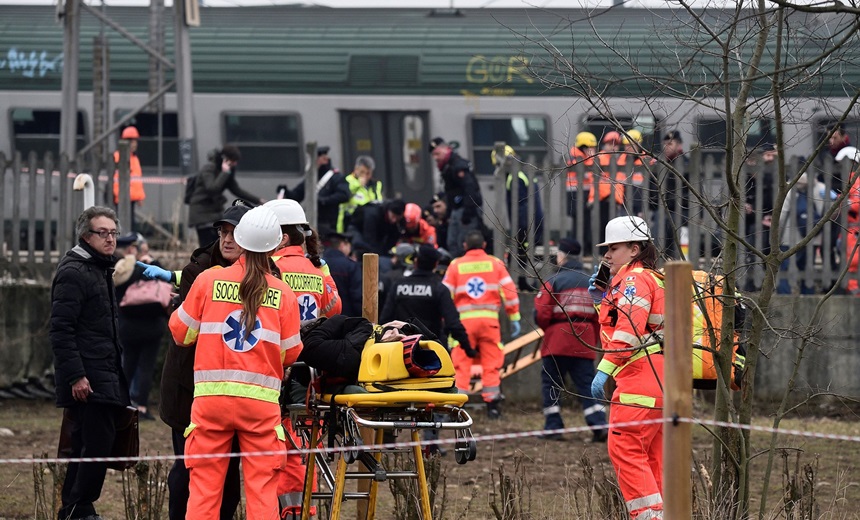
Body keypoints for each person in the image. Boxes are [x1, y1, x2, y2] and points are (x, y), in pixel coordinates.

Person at [168, 205, 303, 520]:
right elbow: (292, 354)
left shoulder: (208, 280)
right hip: (260, 408)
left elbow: (180, 333)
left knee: (203, 491)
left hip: (210, 404)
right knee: (262, 492)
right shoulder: (283, 293)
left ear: (240, 239)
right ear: (274, 246)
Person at [157, 203, 250, 520]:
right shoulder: (198, 272)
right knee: (186, 472)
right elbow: (184, 332)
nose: (227, 238)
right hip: (190, 391)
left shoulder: (266, 276)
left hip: (240, 396)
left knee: (228, 478)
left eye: (235, 232)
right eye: (223, 231)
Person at [51, 206, 131, 520]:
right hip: (88, 377)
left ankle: (77, 508)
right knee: (95, 444)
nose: (110, 239)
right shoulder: (74, 271)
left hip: (104, 372)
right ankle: (78, 508)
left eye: (113, 233)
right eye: (103, 233)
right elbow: (61, 329)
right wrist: (76, 376)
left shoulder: (99, 267)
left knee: (95, 443)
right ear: (86, 235)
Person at [589, 216, 665, 520]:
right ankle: (661, 513)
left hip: (638, 381)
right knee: (652, 457)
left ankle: (648, 516)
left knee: (626, 449)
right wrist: (602, 296)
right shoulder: (651, 278)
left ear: (634, 249)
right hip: (659, 381)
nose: (607, 255)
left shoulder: (634, 281)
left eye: (614, 248)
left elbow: (628, 329)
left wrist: (604, 368)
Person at [533, 237, 607, 442]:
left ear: (563, 256)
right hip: (584, 341)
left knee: (552, 384)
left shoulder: (554, 281)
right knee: (587, 385)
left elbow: (541, 313)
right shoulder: (592, 282)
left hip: (557, 340)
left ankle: (554, 427)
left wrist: (549, 328)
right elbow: (601, 314)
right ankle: (599, 424)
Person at [442, 230, 520, 418]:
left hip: (464, 324)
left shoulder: (455, 266)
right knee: (491, 363)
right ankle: (493, 406)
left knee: (461, 364)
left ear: (464, 246)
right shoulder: (495, 264)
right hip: (489, 322)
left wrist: (446, 321)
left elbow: (445, 295)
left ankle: (458, 407)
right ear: (484, 245)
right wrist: (514, 317)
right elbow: (509, 292)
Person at [114, 232, 167, 421]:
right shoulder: (146, 266)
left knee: (126, 365)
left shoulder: (118, 267)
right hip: (152, 327)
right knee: (146, 367)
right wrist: (152, 262)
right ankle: (142, 407)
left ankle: (122, 404)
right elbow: (164, 281)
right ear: (132, 249)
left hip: (127, 327)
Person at [266, 199, 341, 323]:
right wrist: (326, 277)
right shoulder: (316, 270)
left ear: (283, 239)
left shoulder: (266, 266)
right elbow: (335, 309)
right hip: (310, 340)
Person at [187, 144, 265, 246]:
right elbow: (212, 188)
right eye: (233, 161)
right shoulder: (209, 168)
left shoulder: (226, 172)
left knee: (217, 245)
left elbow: (236, 190)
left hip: (214, 213)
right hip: (201, 213)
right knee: (207, 247)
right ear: (225, 159)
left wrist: (259, 201)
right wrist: (225, 172)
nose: (235, 164)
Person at [492, 146, 545, 290]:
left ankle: (522, 284)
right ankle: (523, 283)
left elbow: (521, 207)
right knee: (522, 254)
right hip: (532, 221)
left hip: (525, 224)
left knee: (520, 254)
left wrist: (520, 230)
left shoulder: (515, 178)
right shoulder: (523, 174)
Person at [279, 146, 352, 238]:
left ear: (324, 159)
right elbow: (297, 195)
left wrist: (324, 200)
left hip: (329, 223)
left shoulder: (336, 177)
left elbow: (344, 195)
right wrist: (286, 191)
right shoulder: (312, 177)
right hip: (313, 221)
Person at [429, 137, 483, 256]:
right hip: (456, 209)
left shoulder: (458, 165)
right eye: (433, 155)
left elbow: (470, 188)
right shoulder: (448, 166)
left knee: (463, 244)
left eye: (437, 153)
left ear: (446, 149)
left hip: (466, 210)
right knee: (452, 243)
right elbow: (451, 193)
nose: (435, 158)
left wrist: (468, 212)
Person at [567, 132, 597, 249]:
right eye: (591, 148)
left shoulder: (578, 156)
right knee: (579, 222)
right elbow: (589, 172)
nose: (593, 150)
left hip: (580, 192)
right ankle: (579, 247)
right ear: (584, 147)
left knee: (583, 221)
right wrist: (592, 157)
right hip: (576, 193)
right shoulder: (576, 158)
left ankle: (582, 246)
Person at [113, 126, 145, 232]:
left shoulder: (135, 158)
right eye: (132, 141)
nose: (134, 144)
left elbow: (136, 179)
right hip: (122, 197)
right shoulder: (118, 156)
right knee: (123, 224)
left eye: (135, 141)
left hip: (131, 197)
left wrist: (139, 197)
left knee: (130, 225)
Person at [338, 155, 383, 232]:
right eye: (362, 172)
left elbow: (379, 200)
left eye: (368, 173)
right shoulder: (347, 181)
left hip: (369, 222)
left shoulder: (376, 185)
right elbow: (346, 195)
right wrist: (358, 184)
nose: (365, 176)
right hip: (350, 222)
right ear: (356, 170)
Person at [323, 232, 363, 317]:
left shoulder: (318, 264)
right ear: (342, 245)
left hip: (322, 319)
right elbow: (357, 297)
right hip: (346, 319)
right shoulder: (351, 266)